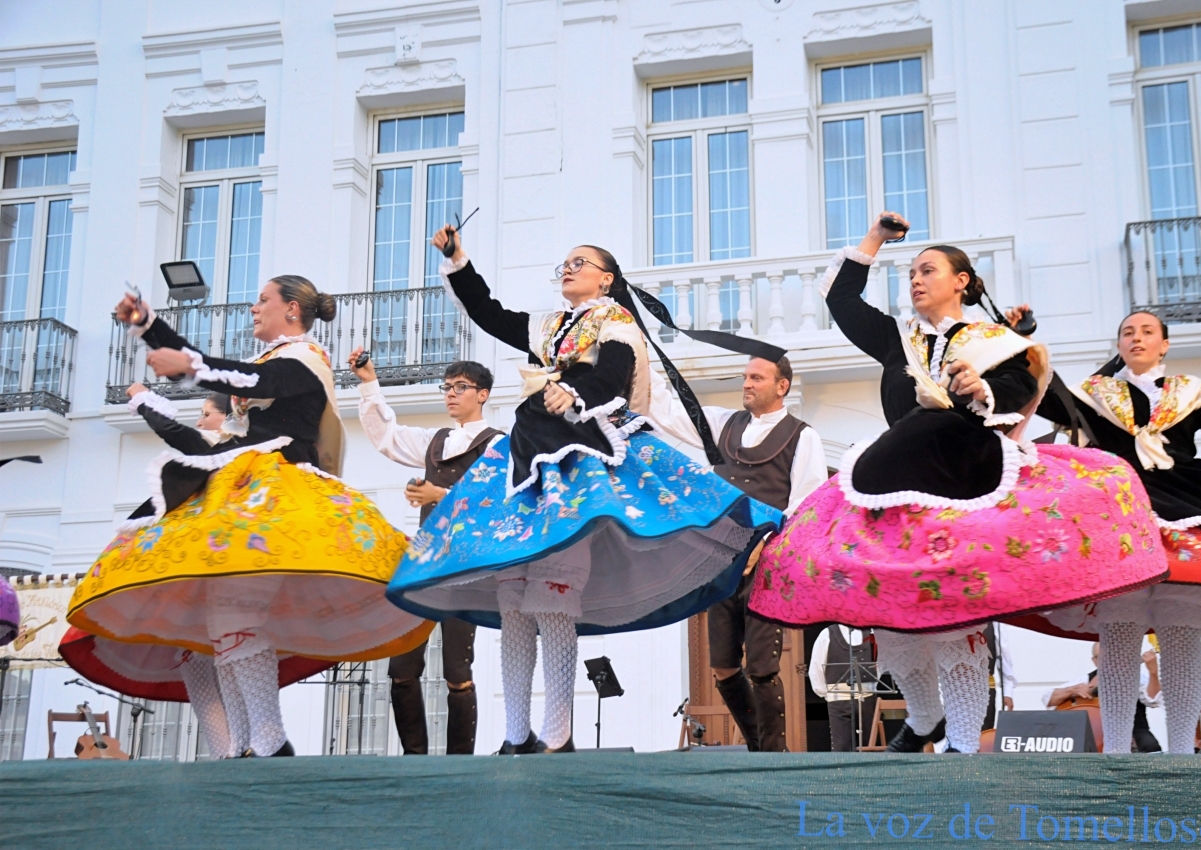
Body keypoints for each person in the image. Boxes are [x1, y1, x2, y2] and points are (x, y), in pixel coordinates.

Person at [749, 213, 1168, 754]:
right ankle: (924, 717)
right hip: (898, 480)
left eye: (928, 270)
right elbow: (842, 301)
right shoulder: (898, 339)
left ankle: (965, 746)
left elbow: (1023, 384)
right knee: (890, 615)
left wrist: (981, 388)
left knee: (955, 613)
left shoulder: (994, 341)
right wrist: (874, 240)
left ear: (961, 281)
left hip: (965, 479)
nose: (916, 280)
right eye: (912, 274)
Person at [386, 228, 783, 754]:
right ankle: (516, 735)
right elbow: (490, 314)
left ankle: (557, 733)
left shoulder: (615, 321)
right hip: (529, 457)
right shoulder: (550, 326)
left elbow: (612, 375)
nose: (568, 269)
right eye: (565, 264)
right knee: (513, 599)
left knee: (552, 596)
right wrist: (458, 260)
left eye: (580, 262)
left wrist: (571, 391)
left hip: (585, 457)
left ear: (606, 279)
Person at [67, 276, 432, 757]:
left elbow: (251, 380)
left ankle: (269, 740)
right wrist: (149, 326)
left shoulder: (306, 359)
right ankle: (244, 746)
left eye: (263, 300)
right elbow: (234, 379)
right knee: (221, 620)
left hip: (277, 494)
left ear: (293, 309)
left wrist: (189, 366)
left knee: (233, 612)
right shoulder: (275, 359)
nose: (254, 307)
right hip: (240, 485)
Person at [1011, 309, 1201, 754]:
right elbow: (1047, 395)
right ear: (1119, 346)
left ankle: (1182, 754)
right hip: (1120, 504)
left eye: (1147, 331)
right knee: (1120, 626)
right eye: (1128, 332)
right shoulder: (1095, 393)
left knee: (1179, 625)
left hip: (1187, 499)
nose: (1137, 338)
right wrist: (1021, 341)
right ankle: (1117, 751)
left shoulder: (1189, 391)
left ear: (1164, 344)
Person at [647, 356, 827, 752]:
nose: (746, 383)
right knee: (723, 666)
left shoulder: (803, 436)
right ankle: (758, 746)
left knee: (762, 668)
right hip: (723, 561)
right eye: (745, 376)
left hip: (769, 565)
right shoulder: (722, 424)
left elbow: (806, 504)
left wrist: (765, 544)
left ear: (781, 386)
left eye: (756, 378)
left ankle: (774, 759)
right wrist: (635, 349)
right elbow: (668, 410)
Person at [353, 353, 504, 755]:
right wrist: (369, 381)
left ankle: (459, 764)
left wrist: (439, 494)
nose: (451, 394)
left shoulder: (497, 444)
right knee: (401, 668)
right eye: (447, 387)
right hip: (424, 559)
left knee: (457, 670)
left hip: (464, 565)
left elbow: (495, 501)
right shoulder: (435, 441)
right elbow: (387, 436)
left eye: (461, 387)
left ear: (483, 394)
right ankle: (414, 758)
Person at [1043, 641, 1163, 753]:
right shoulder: (1086, 679)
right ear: (1094, 660)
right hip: (1096, 733)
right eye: (1101, 657)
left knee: (1150, 746)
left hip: (1134, 730)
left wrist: (1153, 672)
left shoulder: (1137, 677)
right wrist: (1071, 690)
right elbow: (1048, 698)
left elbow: (1153, 700)